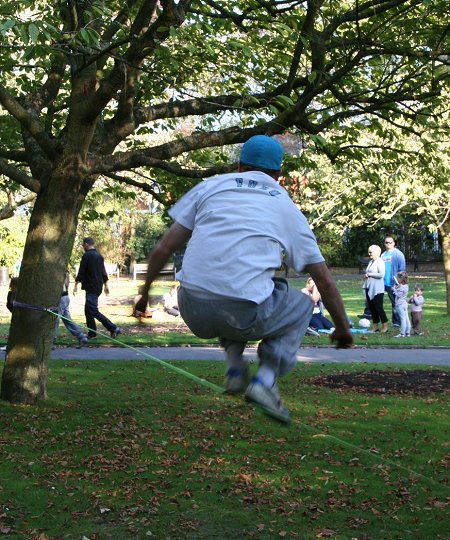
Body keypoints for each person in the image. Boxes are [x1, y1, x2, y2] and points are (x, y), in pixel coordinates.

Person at [135, 135, 353, 423]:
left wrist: (144, 294)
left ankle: (236, 369)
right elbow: (323, 281)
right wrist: (342, 328)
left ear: (239, 166)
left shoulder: (209, 187)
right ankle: (264, 380)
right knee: (299, 304)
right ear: (278, 175)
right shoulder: (284, 205)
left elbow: (164, 248)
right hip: (241, 310)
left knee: (258, 286)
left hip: (191, 306)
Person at [74, 237, 120, 340]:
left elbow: (81, 272)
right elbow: (103, 272)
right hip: (98, 287)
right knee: (88, 311)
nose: (82, 247)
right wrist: (106, 285)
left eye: (83, 245)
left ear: (86, 244)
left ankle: (113, 328)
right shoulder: (99, 256)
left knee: (93, 311)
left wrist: (75, 286)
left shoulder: (86, 256)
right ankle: (92, 333)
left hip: (91, 287)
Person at [53, 271, 88, 348]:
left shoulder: (58, 270)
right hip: (66, 297)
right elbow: (67, 284)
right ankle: (81, 337)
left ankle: (52, 341)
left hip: (61, 298)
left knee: (55, 319)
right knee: (68, 320)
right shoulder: (65, 271)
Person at [363, 245, 388, 333]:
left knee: (379, 308)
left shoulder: (380, 262)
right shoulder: (371, 262)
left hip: (377, 290)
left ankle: (385, 326)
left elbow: (381, 275)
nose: (369, 254)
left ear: (377, 253)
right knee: (372, 308)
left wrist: (369, 274)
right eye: (369, 252)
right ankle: (375, 327)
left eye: (371, 252)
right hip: (369, 288)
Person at [381, 236, 406, 327]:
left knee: (395, 303)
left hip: (394, 283)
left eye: (390, 242)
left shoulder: (398, 254)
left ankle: (397, 322)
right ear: (384, 243)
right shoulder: (383, 255)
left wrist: (400, 282)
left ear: (394, 243)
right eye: (386, 242)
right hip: (383, 282)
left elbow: (402, 269)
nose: (388, 244)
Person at [392, 271, 410, 338]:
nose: (397, 279)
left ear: (400, 279)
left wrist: (394, 289)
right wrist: (397, 287)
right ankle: (407, 333)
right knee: (406, 318)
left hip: (400, 304)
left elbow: (399, 295)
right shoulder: (406, 286)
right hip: (404, 303)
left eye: (397, 278)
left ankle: (402, 334)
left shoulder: (402, 287)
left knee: (403, 319)